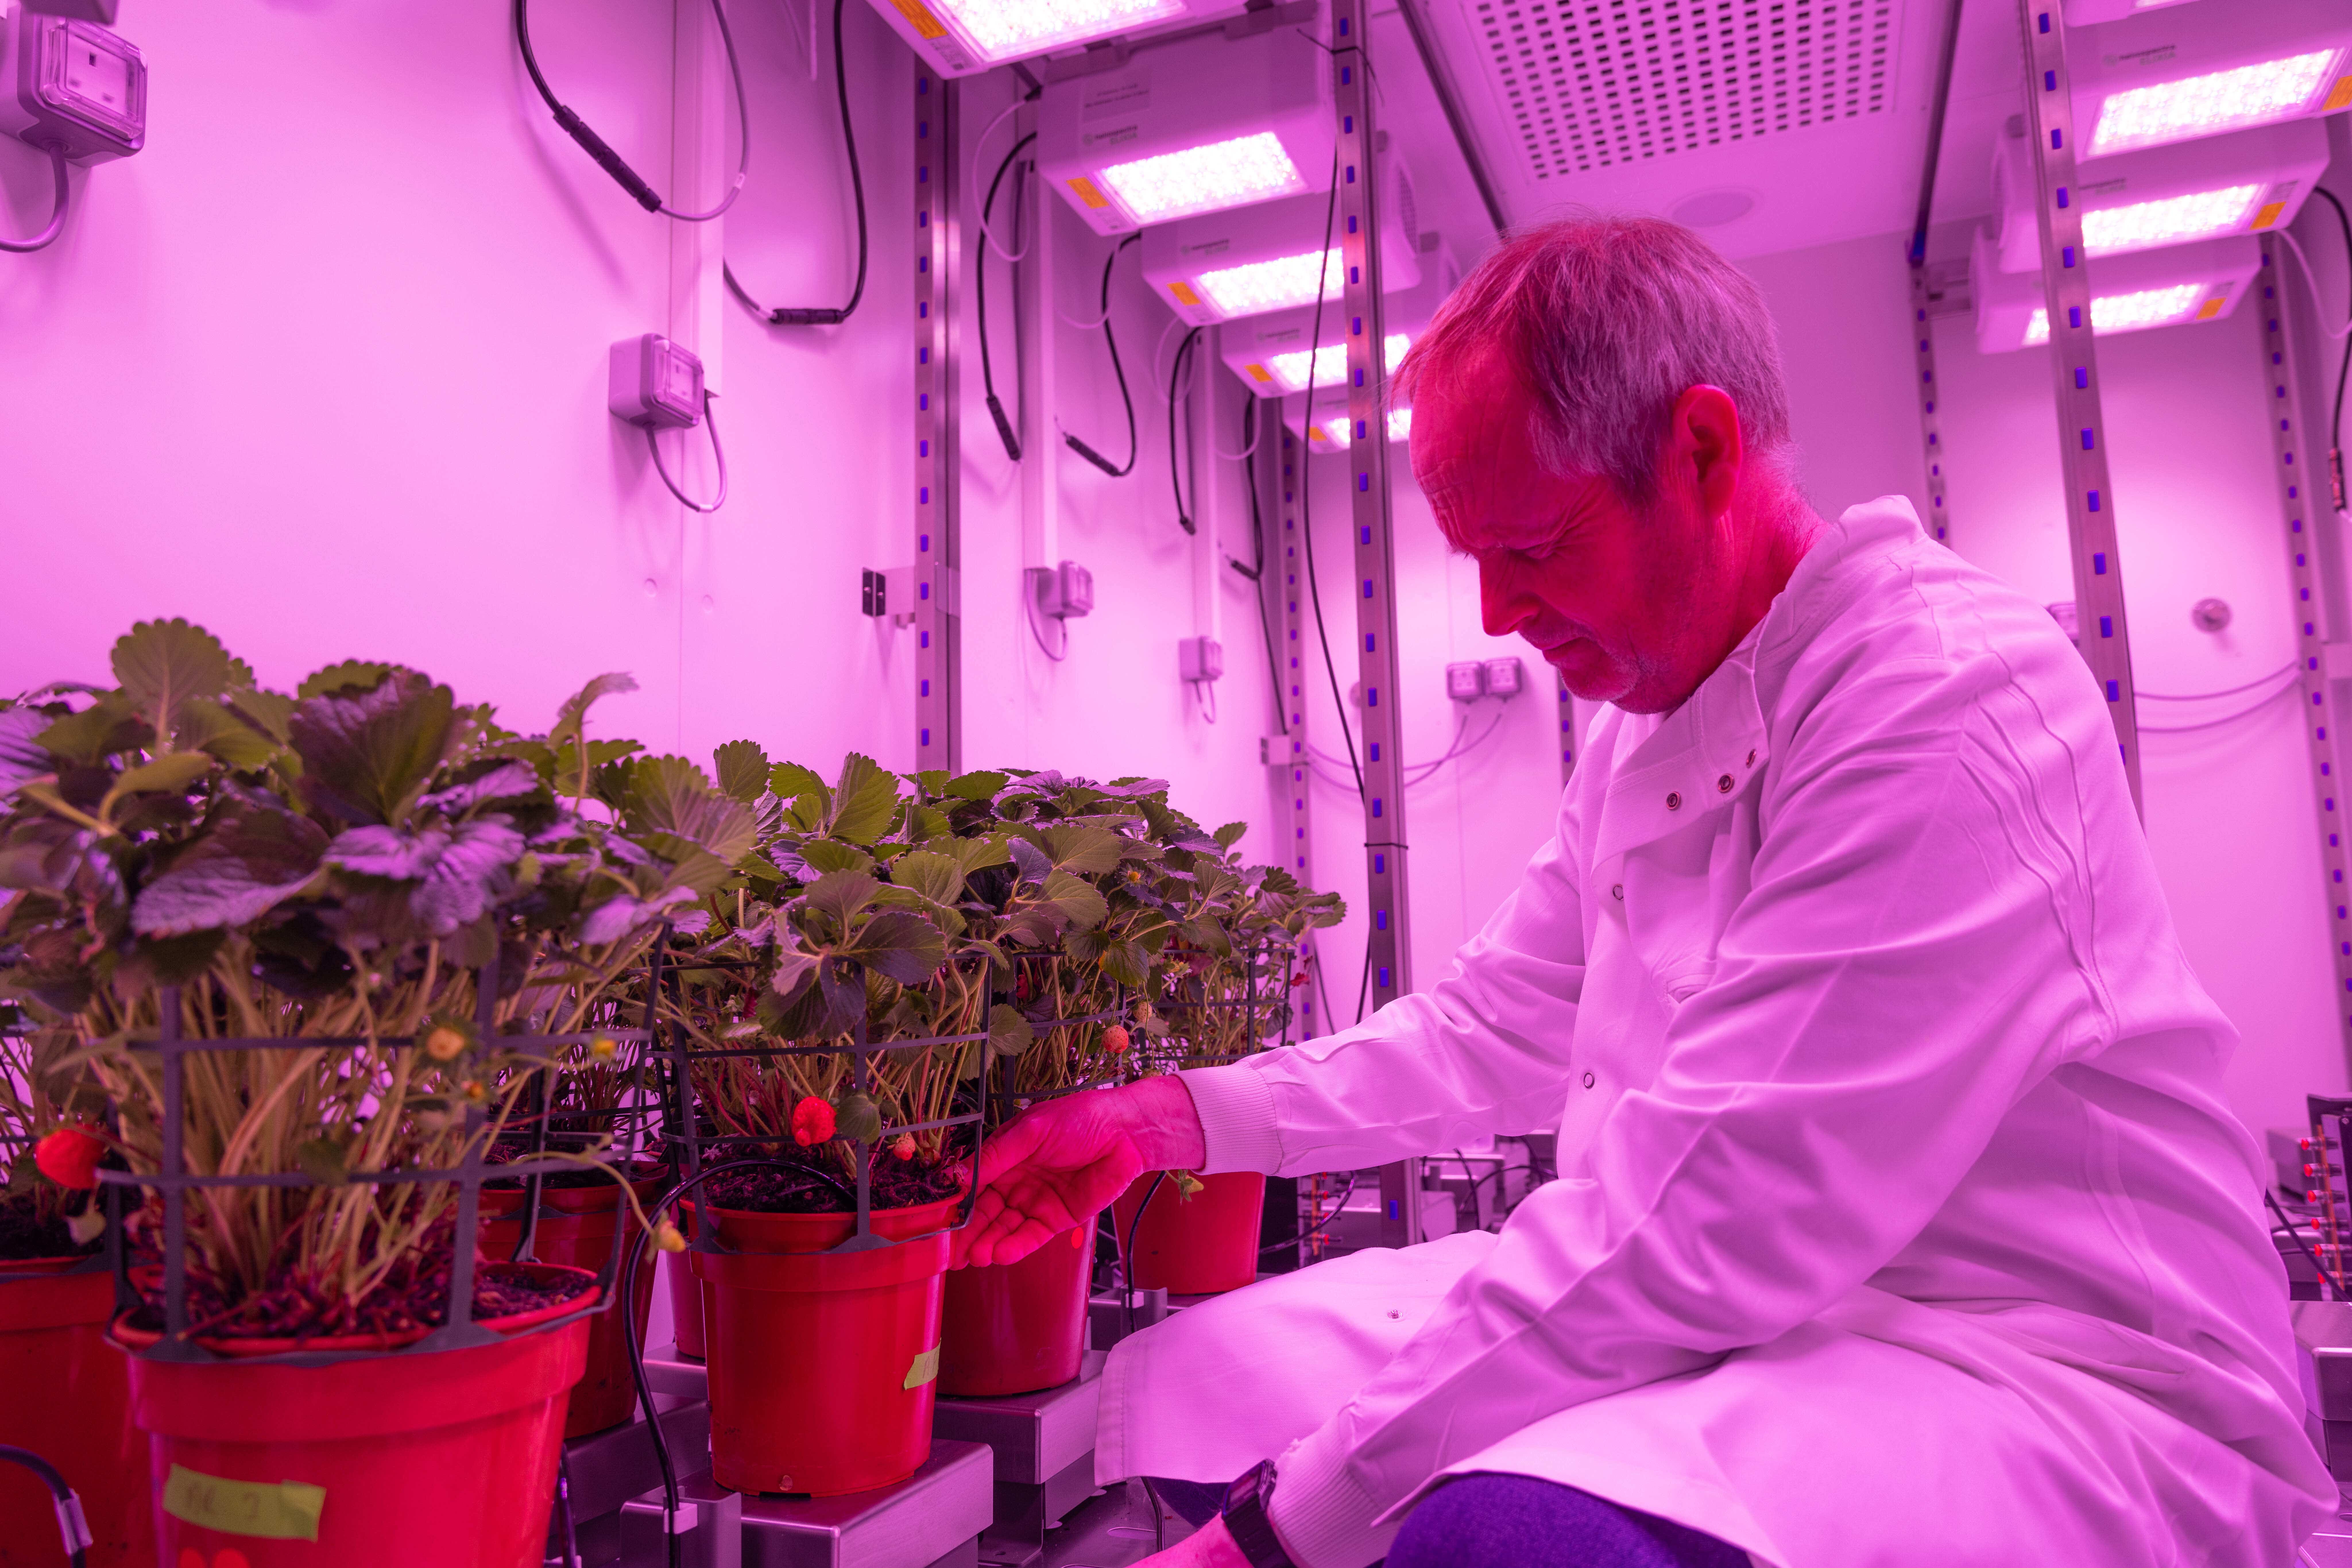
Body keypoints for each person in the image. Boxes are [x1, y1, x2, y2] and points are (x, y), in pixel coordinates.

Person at [953, 216, 2334, 1568]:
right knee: (1217, 1367)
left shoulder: (1940, 697)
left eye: (1533, 546)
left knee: (1507, 1537)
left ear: (1702, 452)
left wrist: (1260, 1538)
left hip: (2041, 1367)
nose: (1494, 613)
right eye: (1472, 558)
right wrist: (1174, 1115)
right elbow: (1492, 1026)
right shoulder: (1647, 728)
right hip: (1774, 1318)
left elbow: (1716, 1209)